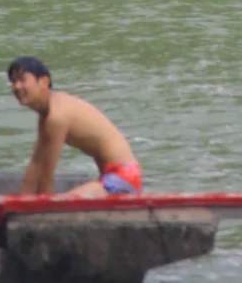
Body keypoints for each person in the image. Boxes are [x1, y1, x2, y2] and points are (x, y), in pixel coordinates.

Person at [8, 56, 143, 197]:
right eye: (13, 81)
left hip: (124, 177)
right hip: (110, 177)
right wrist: (23, 198)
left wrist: (39, 210)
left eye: (23, 80)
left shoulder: (57, 116)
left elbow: (46, 176)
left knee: (63, 202)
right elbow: (36, 163)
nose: (17, 86)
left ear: (44, 82)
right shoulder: (47, 115)